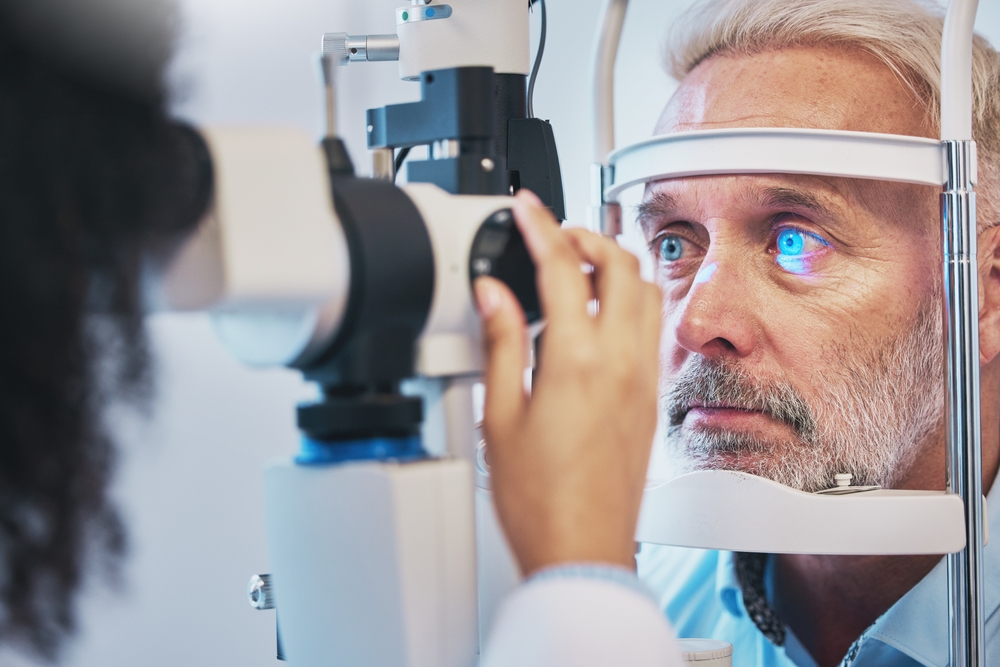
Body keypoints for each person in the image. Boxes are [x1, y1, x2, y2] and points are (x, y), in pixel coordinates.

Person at [478, 0, 1000, 666]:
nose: (698, 324)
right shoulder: (646, 601)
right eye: (674, 244)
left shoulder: (595, 604)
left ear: (988, 291)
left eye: (795, 239)